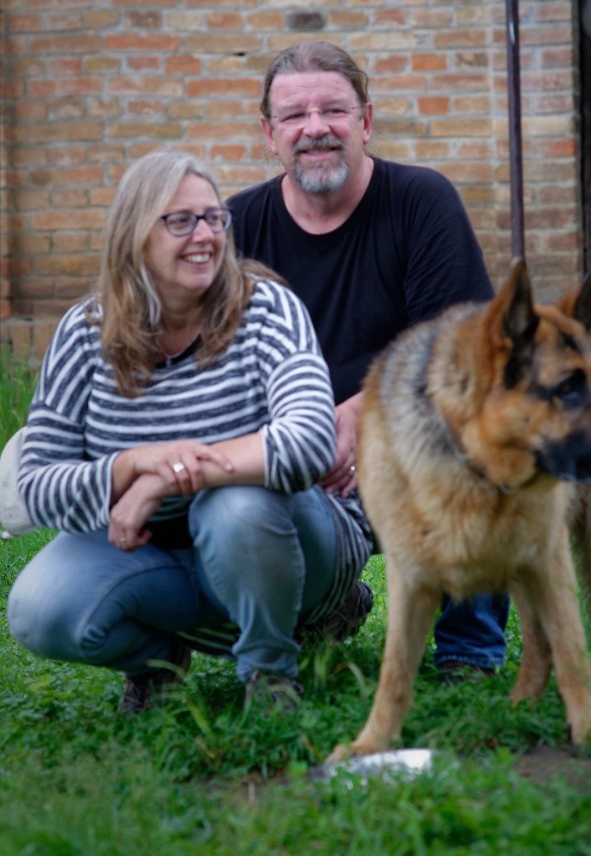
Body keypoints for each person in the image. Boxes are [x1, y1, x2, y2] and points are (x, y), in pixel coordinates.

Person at [7, 148, 374, 713]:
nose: (204, 235)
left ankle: (272, 671)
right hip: (157, 555)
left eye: (213, 218)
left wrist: (170, 476)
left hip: (287, 537)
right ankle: (159, 661)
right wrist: (132, 466)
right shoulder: (84, 333)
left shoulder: (266, 308)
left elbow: (309, 440)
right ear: (135, 235)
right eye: (180, 221)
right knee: (41, 610)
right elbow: (36, 484)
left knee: (235, 506)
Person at [228, 41, 509, 679]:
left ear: (366, 121)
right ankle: (326, 604)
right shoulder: (236, 226)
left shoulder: (421, 201)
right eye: (295, 116)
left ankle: (467, 654)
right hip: (288, 454)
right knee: (223, 500)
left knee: (485, 425)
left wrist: (362, 414)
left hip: (411, 443)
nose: (316, 128)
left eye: (334, 110)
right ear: (270, 134)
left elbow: (461, 346)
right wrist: (297, 437)